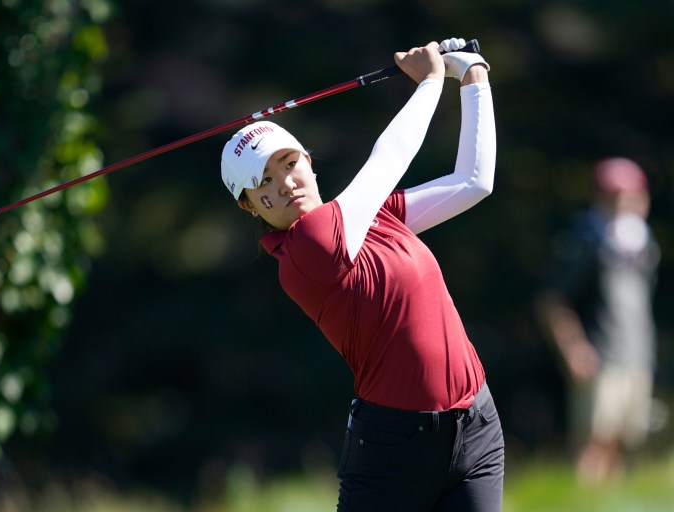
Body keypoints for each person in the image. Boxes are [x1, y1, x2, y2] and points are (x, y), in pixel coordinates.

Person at [220, 38, 503, 511]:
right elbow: (386, 163)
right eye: (262, 182)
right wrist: (431, 81)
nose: (284, 183)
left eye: (288, 164)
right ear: (249, 207)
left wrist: (473, 76)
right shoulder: (307, 249)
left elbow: (474, 181)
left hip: (476, 425)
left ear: (308, 163)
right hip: (395, 449)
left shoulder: (371, 217)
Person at [534, 157, 660, 484]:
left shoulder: (644, 246)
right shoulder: (584, 241)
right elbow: (551, 301)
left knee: (624, 441)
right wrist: (574, 349)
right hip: (600, 356)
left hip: (636, 356)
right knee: (595, 441)